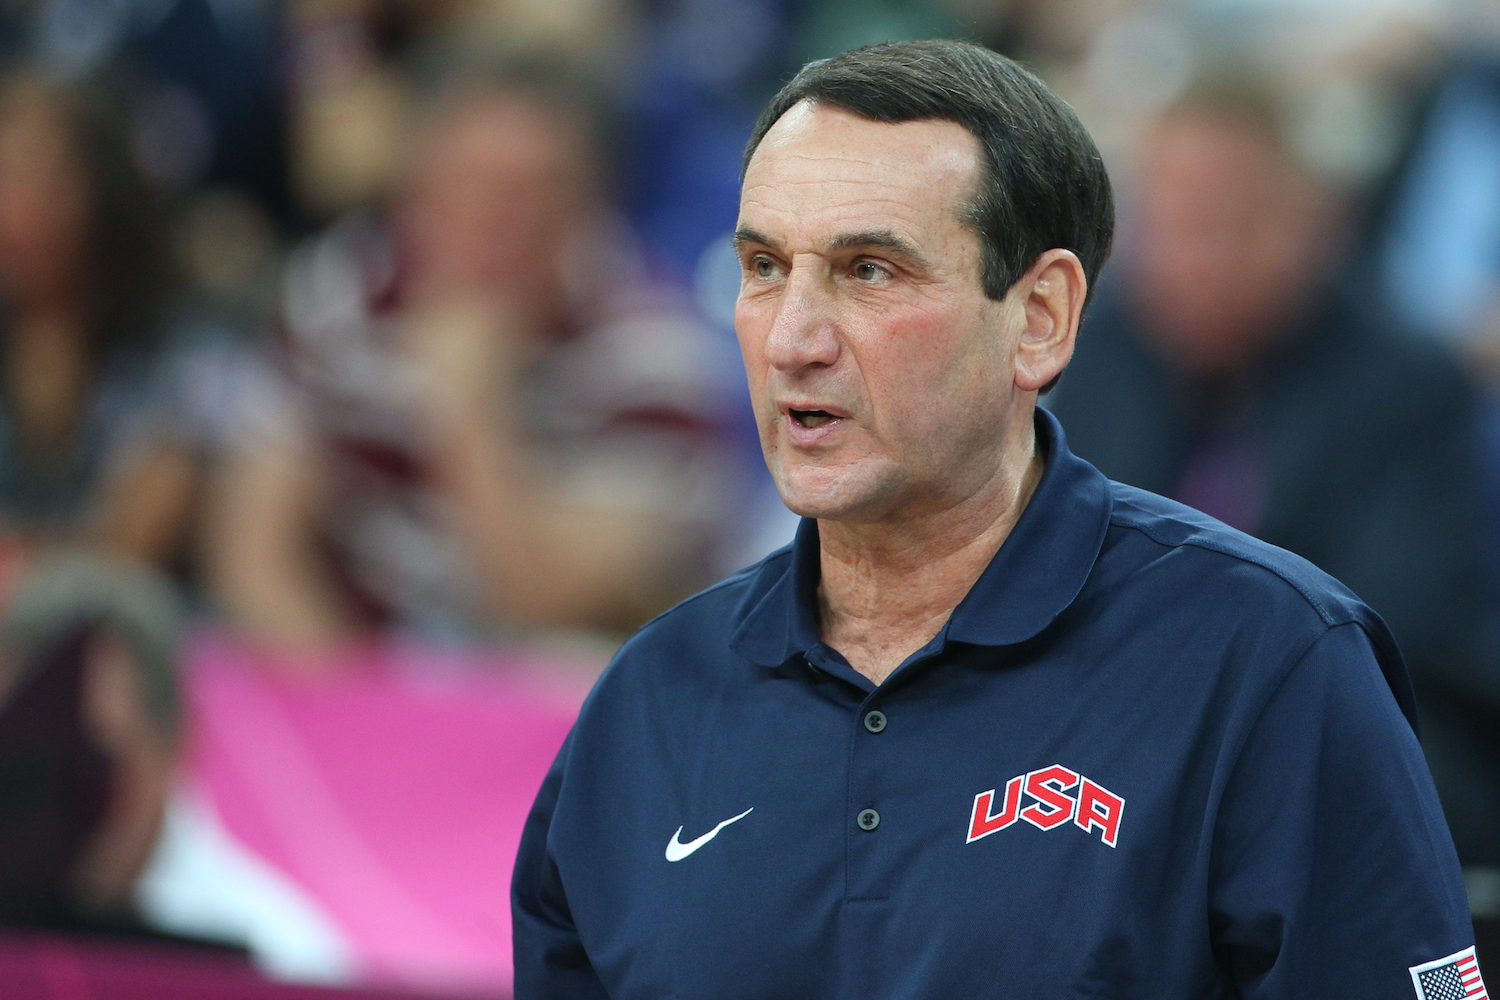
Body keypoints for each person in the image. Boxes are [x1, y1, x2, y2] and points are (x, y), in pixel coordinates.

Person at [511, 39, 1479, 998]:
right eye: (765, 266)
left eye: (869, 271)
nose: (794, 339)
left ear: (1041, 317)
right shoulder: (648, 702)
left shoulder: (1271, 660)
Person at [1046, 77, 1500, 870]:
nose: (1202, 259)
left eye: (1236, 224)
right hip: (1108, 730)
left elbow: (1392, 625)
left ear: (1317, 222)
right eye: (1177, 225)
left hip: (1347, 729)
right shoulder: (1079, 364)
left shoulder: (1408, 380)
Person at [208, 77, 735, 651]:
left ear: (585, 207)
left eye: (529, 193)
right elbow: (254, 544)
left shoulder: (652, 351)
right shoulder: (336, 292)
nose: (493, 218)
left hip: (562, 689)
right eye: (463, 185)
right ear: (411, 194)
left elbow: (543, 603)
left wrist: (467, 408)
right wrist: (342, 704)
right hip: (359, 670)